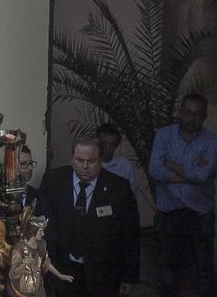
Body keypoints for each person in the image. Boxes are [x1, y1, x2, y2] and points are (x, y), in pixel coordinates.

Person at [36, 136, 140, 296]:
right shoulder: (53, 181)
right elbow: (41, 224)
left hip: (102, 274)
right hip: (61, 269)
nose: (84, 166)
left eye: (91, 161)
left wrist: (130, 276)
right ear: (72, 158)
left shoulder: (119, 188)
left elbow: (131, 235)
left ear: (100, 160)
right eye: (79, 160)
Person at [148, 92, 217, 297]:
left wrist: (171, 164)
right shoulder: (163, 135)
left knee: (204, 267)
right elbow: (154, 170)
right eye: (187, 112)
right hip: (169, 212)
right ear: (180, 112)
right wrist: (189, 173)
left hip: (200, 214)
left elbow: (202, 175)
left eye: (197, 114)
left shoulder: (212, 141)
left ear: (204, 117)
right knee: (167, 266)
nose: (191, 118)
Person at [94, 123, 137, 190]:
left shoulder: (125, 166)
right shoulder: (84, 163)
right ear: (97, 142)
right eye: (104, 143)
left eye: (112, 144)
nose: (107, 148)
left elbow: (130, 196)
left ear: (117, 145)